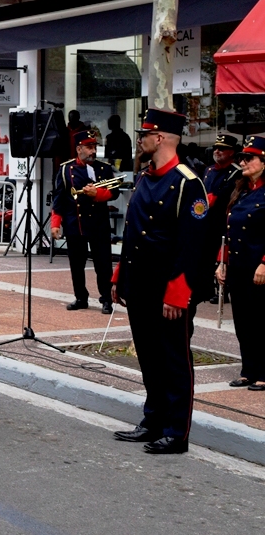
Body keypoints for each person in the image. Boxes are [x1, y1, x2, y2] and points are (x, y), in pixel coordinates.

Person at [111, 109, 208, 455]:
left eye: (146, 134)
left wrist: (178, 292)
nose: (141, 139)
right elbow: (133, 232)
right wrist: (120, 275)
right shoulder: (144, 177)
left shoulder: (187, 182)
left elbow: (192, 245)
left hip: (168, 289)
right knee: (149, 356)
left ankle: (176, 431)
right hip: (139, 284)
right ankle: (153, 420)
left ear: (162, 138)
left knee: (174, 360)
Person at [215, 135, 265, 392]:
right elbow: (227, 231)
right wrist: (221, 262)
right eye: (242, 158)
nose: (243, 163)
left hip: (259, 266)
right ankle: (248, 370)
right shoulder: (240, 188)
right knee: (243, 320)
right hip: (238, 264)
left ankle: (263, 372)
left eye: (249, 158)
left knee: (261, 320)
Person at [50, 130, 119, 314]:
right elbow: (59, 198)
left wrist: (98, 194)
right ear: (79, 148)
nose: (93, 151)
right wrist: (55, 223)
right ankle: (81, 297)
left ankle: (106, 299)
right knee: (76, 264)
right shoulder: (66, 169)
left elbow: (115, 192)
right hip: (75, 223)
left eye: (94, 147)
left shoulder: (103, 168)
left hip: (98, 223)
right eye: (89, 147)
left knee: (103, 264)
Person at [203, 134, 241, 305]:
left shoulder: (236, 172)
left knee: (224, 256)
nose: (217, 151)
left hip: (224, 219)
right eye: (216, 148)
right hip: (207, 219)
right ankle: (209, 287)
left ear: (231, 152)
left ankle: (223, 290)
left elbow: (227, 195)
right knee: (208, 254)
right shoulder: (209, 170)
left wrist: (211, 199)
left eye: (222, 149)